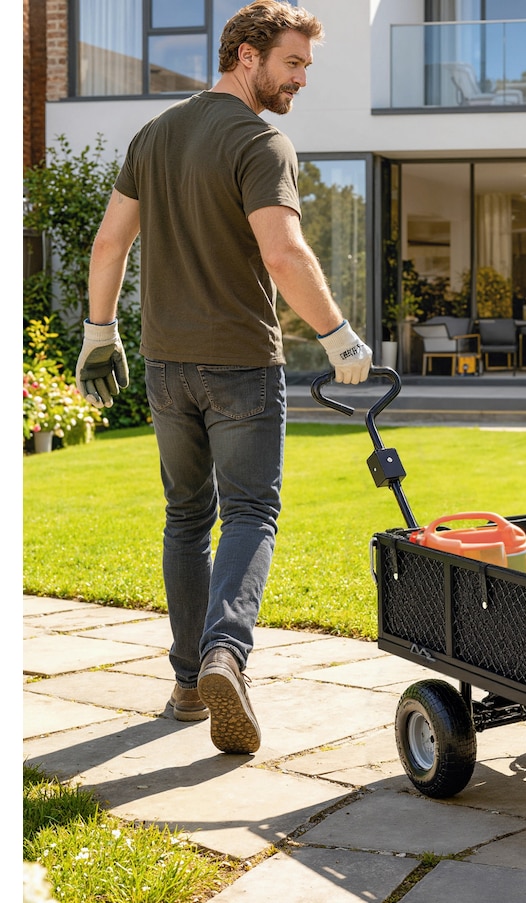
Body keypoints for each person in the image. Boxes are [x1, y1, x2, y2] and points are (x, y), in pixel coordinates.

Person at [75, 0, 371, 755]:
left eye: (307, 65)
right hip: (240, 363)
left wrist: (98, 334)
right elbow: (285, 255)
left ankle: (185, 683)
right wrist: (338, 336)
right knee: (249, 513)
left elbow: (110, 243)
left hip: (165, 365)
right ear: (247, 55)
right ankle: (223, 656)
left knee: (184, 517)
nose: (301, 79)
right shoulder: (260, 140)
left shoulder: (155, 136)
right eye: (292, 63)